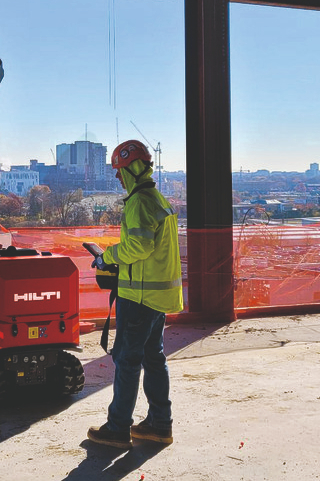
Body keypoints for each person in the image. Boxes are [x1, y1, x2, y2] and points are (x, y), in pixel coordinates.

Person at [87, 140, 183, 449]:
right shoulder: (157, 199)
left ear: (131, 168)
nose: (117, 177)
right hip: (155, 296)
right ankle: (159, 424)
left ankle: (117, 428)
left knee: (127, 360)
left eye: (119, 171)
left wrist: (108, 257)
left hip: (139, 298)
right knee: (153, 358)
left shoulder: (140, 202)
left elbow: (138, 247)